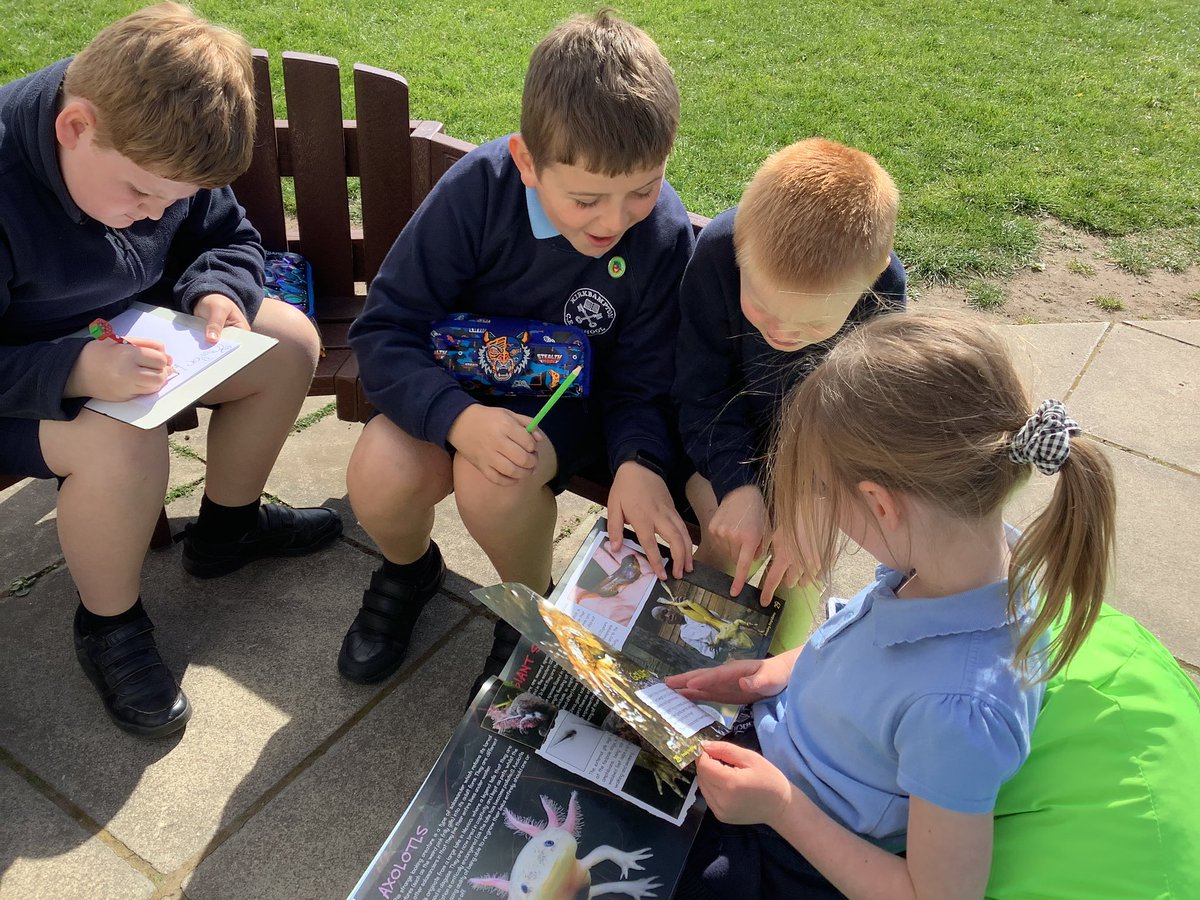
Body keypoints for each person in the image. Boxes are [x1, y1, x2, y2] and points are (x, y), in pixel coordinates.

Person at [666, 311, 1117, 898]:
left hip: (795, 847)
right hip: (776, 752)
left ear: (880, 505)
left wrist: (779, 807)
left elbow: (932, 894)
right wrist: (772, 673)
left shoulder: (957, 711)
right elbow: (865, 647)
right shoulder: (955, 564)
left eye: (828, 493)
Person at [0, 3, 342, 738]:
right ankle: (108, 622)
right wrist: (75, 370)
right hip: (20, 385)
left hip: (122, 334)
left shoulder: (157, 148)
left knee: (286, 343)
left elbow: (227, 234)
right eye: (142, 195)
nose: (156, 214)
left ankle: (229, 530)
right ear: (75, 126)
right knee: (121, 440)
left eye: (174, 200)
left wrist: (219, 289)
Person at [337, 11, 695, 693]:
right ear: (526, 161)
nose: (614, 222)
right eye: (587, 199)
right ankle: (410, 568)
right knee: (379, 477)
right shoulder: (477, 192)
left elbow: (644, 381)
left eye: (642, 191)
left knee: (496, 479)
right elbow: (385, 331)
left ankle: (532, 608)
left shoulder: (662, 235)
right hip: (456, 387)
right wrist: (456, 418)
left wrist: (641, 462)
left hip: (572, 405)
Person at [673, 138, 907, 652]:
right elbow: (701, 392)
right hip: (717, 440)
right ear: (741, 255)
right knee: (727, 533)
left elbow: (864, 418)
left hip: (817, 457)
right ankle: (689, 656)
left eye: (815, 323)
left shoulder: (883, 292)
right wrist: (738, 487)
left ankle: (786, 671)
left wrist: (819, 498)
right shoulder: (718, 253)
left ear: (867, 285)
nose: (782, 333)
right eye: (761, 307)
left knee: (806, 557)